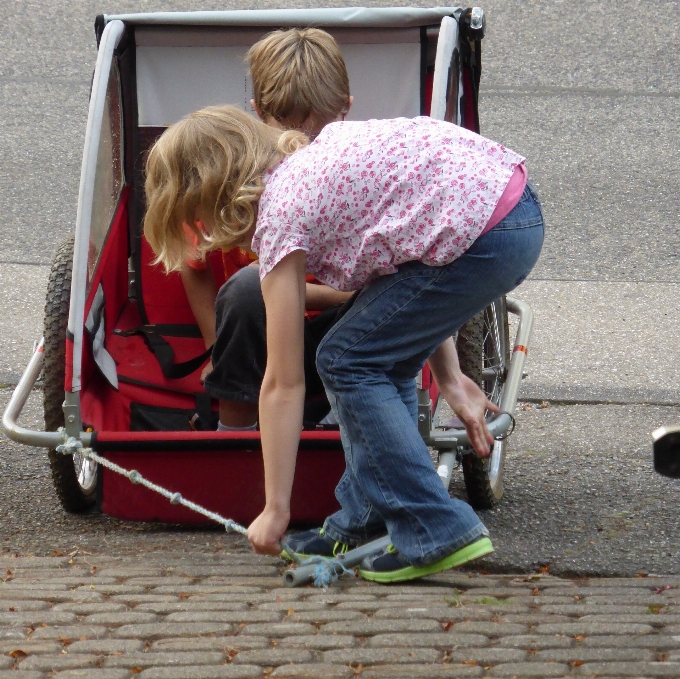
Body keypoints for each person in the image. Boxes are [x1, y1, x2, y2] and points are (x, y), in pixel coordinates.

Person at [144, 106, 544, 583]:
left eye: (197, 218)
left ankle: (433, 525)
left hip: (486, 233)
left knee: (345, 360)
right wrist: (448, 376)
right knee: (375, 360)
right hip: (506, 209)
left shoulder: (281, 213)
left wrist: (275, 509)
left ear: (210, 194)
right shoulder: (310, 167)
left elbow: (282, 383)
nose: (205, 233)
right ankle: (364, 520)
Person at [179, 28, 354, 430]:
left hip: (338, 332)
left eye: (319, 127)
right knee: (246, 290)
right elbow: (193, 265)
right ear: (258, 112)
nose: (305, 141)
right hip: (258, 336)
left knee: (255, 283)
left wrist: (288, 289)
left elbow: (373, 290)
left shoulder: (353, 177)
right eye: (286, 125)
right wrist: (213, 348)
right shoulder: (237, 175)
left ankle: (345, 414)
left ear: (345, 109)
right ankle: (234, 435)